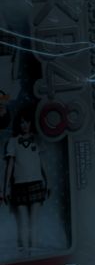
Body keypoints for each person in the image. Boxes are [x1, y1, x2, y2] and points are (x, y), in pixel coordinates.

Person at [5, 106, 48, 254]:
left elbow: (42, 162)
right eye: (22, 122)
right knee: (22, 223)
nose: (24, 125)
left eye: (27, 122)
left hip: (36, 182)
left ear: (31, 123)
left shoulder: (37, 139)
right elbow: (10, 165)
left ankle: (34, 252)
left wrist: (48, 182)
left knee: (34, 221)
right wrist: (6, 187)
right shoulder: (13, 141)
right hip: (19, 185)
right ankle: (24, 253)